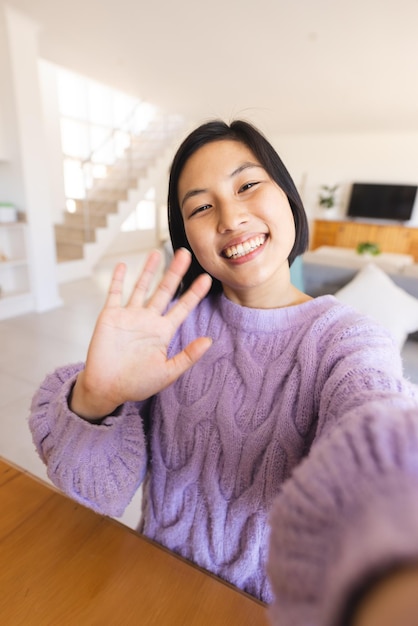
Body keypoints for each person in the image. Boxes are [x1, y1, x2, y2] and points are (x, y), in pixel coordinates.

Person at [29, 120, 418, 625]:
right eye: (201, 206)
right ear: (184, 235)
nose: (231, 217)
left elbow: (379, 433)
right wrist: (94, 400)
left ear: (289, 197)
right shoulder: (169, 330)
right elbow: (100, 493)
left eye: (248, 185)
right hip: (153, 589)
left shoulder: (346, 339)